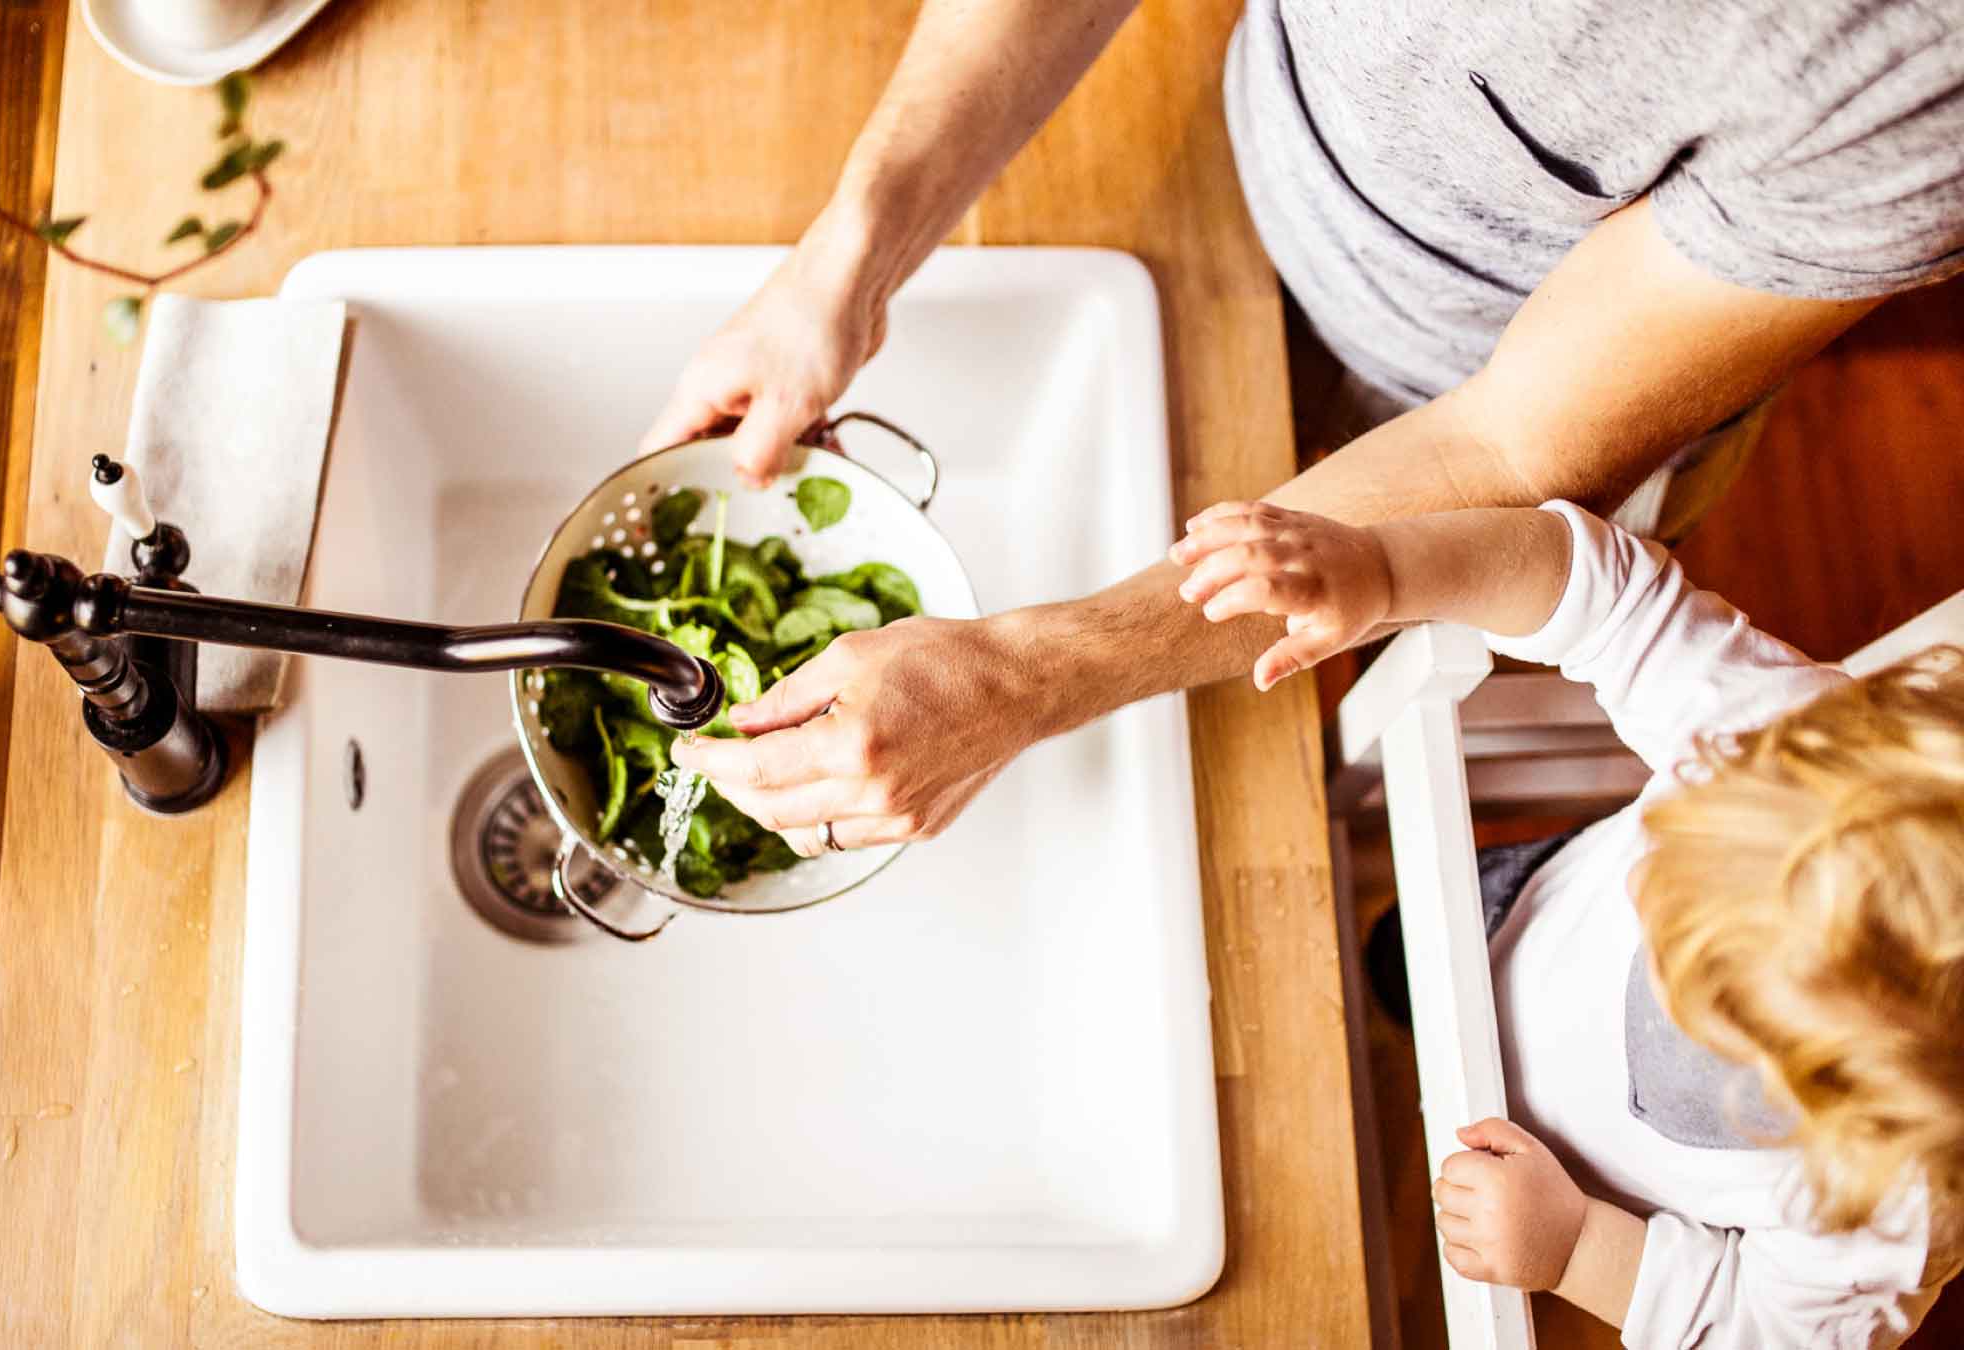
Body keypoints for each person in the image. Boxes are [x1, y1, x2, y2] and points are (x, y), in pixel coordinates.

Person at [656, 0, 1964, 853]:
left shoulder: (1919, 80)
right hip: (1225, 136)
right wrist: (850, 260)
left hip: (1426, 422)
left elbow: (1508, 445)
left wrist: (1029, 674)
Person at [1167, 494, 1963, 1343]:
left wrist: (1580, 1248)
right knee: (1392, 954)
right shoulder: (1783, 741)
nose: (1644, 905)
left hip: (1565, 1182)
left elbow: (1769, 1332)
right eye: (1674, 861)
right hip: (1513, 914)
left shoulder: (1894, 1207)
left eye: (1725, 1009)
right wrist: (1387, 569)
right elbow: (1610, 596)